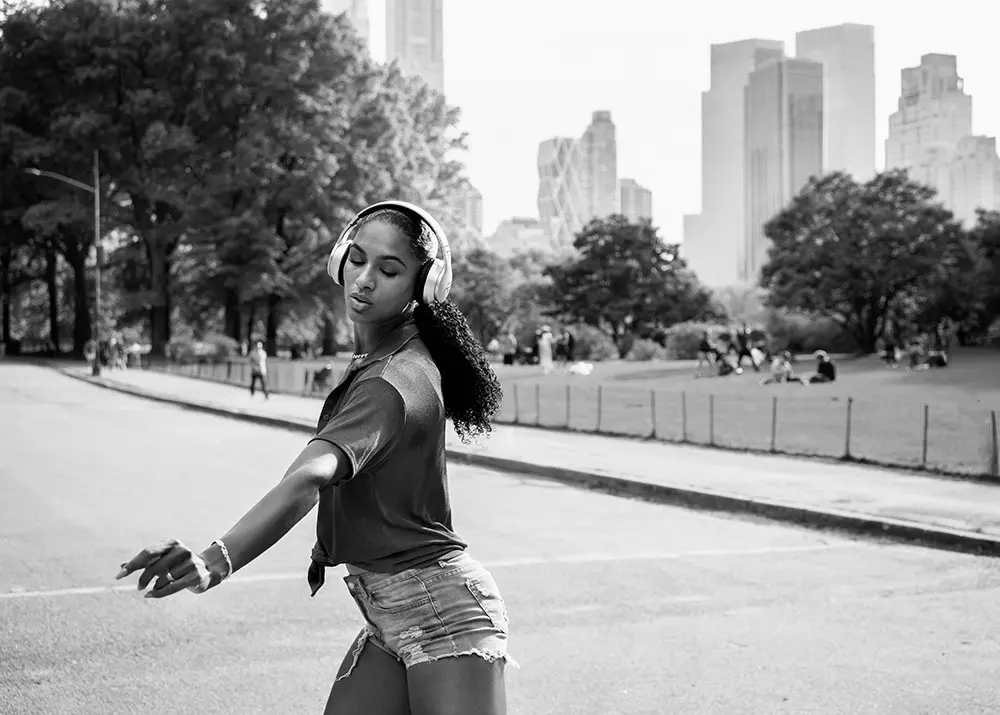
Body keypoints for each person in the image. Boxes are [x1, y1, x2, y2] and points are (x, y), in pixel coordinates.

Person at [114, 201, 513, 715]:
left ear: (425, 287)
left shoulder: (391, 381)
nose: (364, 280)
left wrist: (215, 561)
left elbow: (310, 476)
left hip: (443, 615)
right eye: (358, 259)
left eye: (389, 270)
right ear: (338, 259)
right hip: (387, 612)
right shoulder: (387, 361)